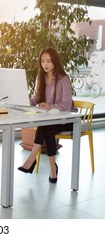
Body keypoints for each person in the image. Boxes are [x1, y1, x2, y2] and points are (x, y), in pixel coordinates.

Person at [18, 47, 75, 183]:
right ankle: (52, 168)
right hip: (50, 121)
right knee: (47, 129)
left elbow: (66, 105)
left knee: (45, 126)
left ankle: (32, 158)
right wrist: (23, 102)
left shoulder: (63, 79)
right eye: (43, 61)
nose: (45, 64)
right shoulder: (41, 78)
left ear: (55, 61)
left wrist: (50, 107)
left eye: (49, 61)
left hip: (66, 120)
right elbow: (36, 98)